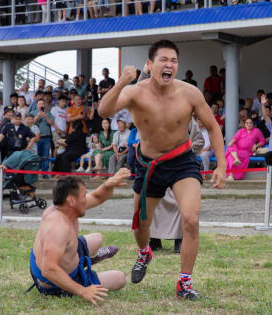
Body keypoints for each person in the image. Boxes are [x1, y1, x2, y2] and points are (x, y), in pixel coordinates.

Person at [98, 40, 226, 300]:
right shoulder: (135, 92)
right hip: (148, 164)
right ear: (149, 64)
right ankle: (144, 252)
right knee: (140, 225)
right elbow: (104, 110)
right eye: (163, 60)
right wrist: (122, 82)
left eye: (174, 61)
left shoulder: (190, 93)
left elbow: (213, 127)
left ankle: (185, 283)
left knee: (191, 219)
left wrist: (222, 164)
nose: (169, 65)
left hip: (182, 162)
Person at [28, 172, 129, 301]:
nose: (86, 198)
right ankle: (83, 267)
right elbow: (49, 269)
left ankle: (88, 260)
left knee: (98, 238)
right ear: (71, 200)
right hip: (53, 282)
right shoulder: (57, 227)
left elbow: (97, 197)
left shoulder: (65, 207)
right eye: (84, 195)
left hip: (65, 258)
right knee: (120, 278)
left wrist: (108, 184)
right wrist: (83, 291)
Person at [150, 117, 204, 254]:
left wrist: (186, 148)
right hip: (160, 165)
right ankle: (154, 239)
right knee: (154, 201)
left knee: (183, 204)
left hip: (182, 168)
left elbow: (199, 141)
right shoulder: (156, 115)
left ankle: (179, 240)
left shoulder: (189, 120)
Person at [30, 99, 56, 175]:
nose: (41, 105)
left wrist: (45, 117)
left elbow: (52, 123)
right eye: (39, 104)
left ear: (44, 105)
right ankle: (35, 172)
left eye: (42, 104)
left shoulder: (48, 113)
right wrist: (37, 116)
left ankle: (44, 173)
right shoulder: (32, 113)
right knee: (36, 155)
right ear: (37, 105)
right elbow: (30, 123)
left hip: (46, 137)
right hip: (35, 137)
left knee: (45, 155)